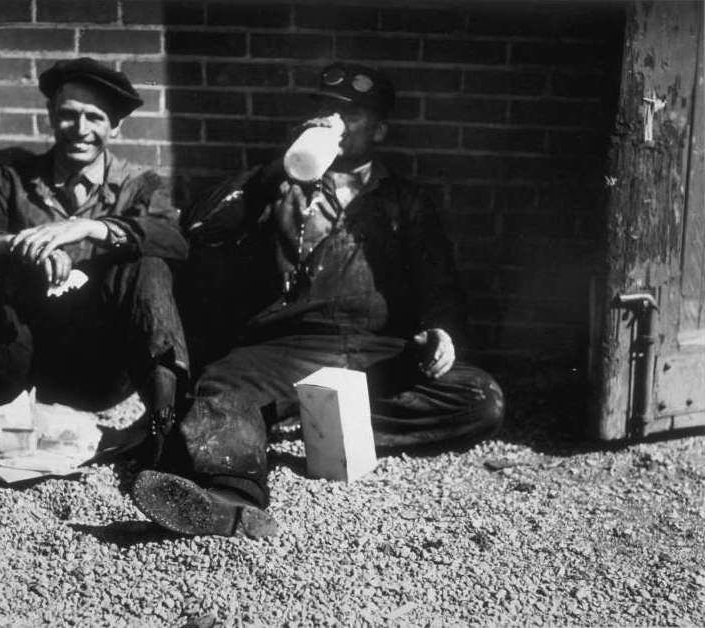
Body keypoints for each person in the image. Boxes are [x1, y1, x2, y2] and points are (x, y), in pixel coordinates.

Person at [130, 62, 506, 538]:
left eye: (351, 115)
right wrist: (272, 176)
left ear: (381, 129)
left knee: (480, 399)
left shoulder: (405, 200)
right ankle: (231, 499)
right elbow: (201, 227)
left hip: (373, 348)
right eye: (327, 110)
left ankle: (305, 423)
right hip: (286, 346)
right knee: (221, 390)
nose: (334, 122)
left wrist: (442, 332)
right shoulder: (276, 182)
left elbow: (440, 284)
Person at [0, 58, 189, 482]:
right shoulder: (11, 180)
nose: (80, 128)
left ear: (115, 128)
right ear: (52, 119)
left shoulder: (139, 187)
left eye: (95, 117)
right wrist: (16, 245)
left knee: (148, 263)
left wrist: (90, 228)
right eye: (69, 114)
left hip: (94, 368)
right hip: (14, 361)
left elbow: (175, 239)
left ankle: (167, 427)